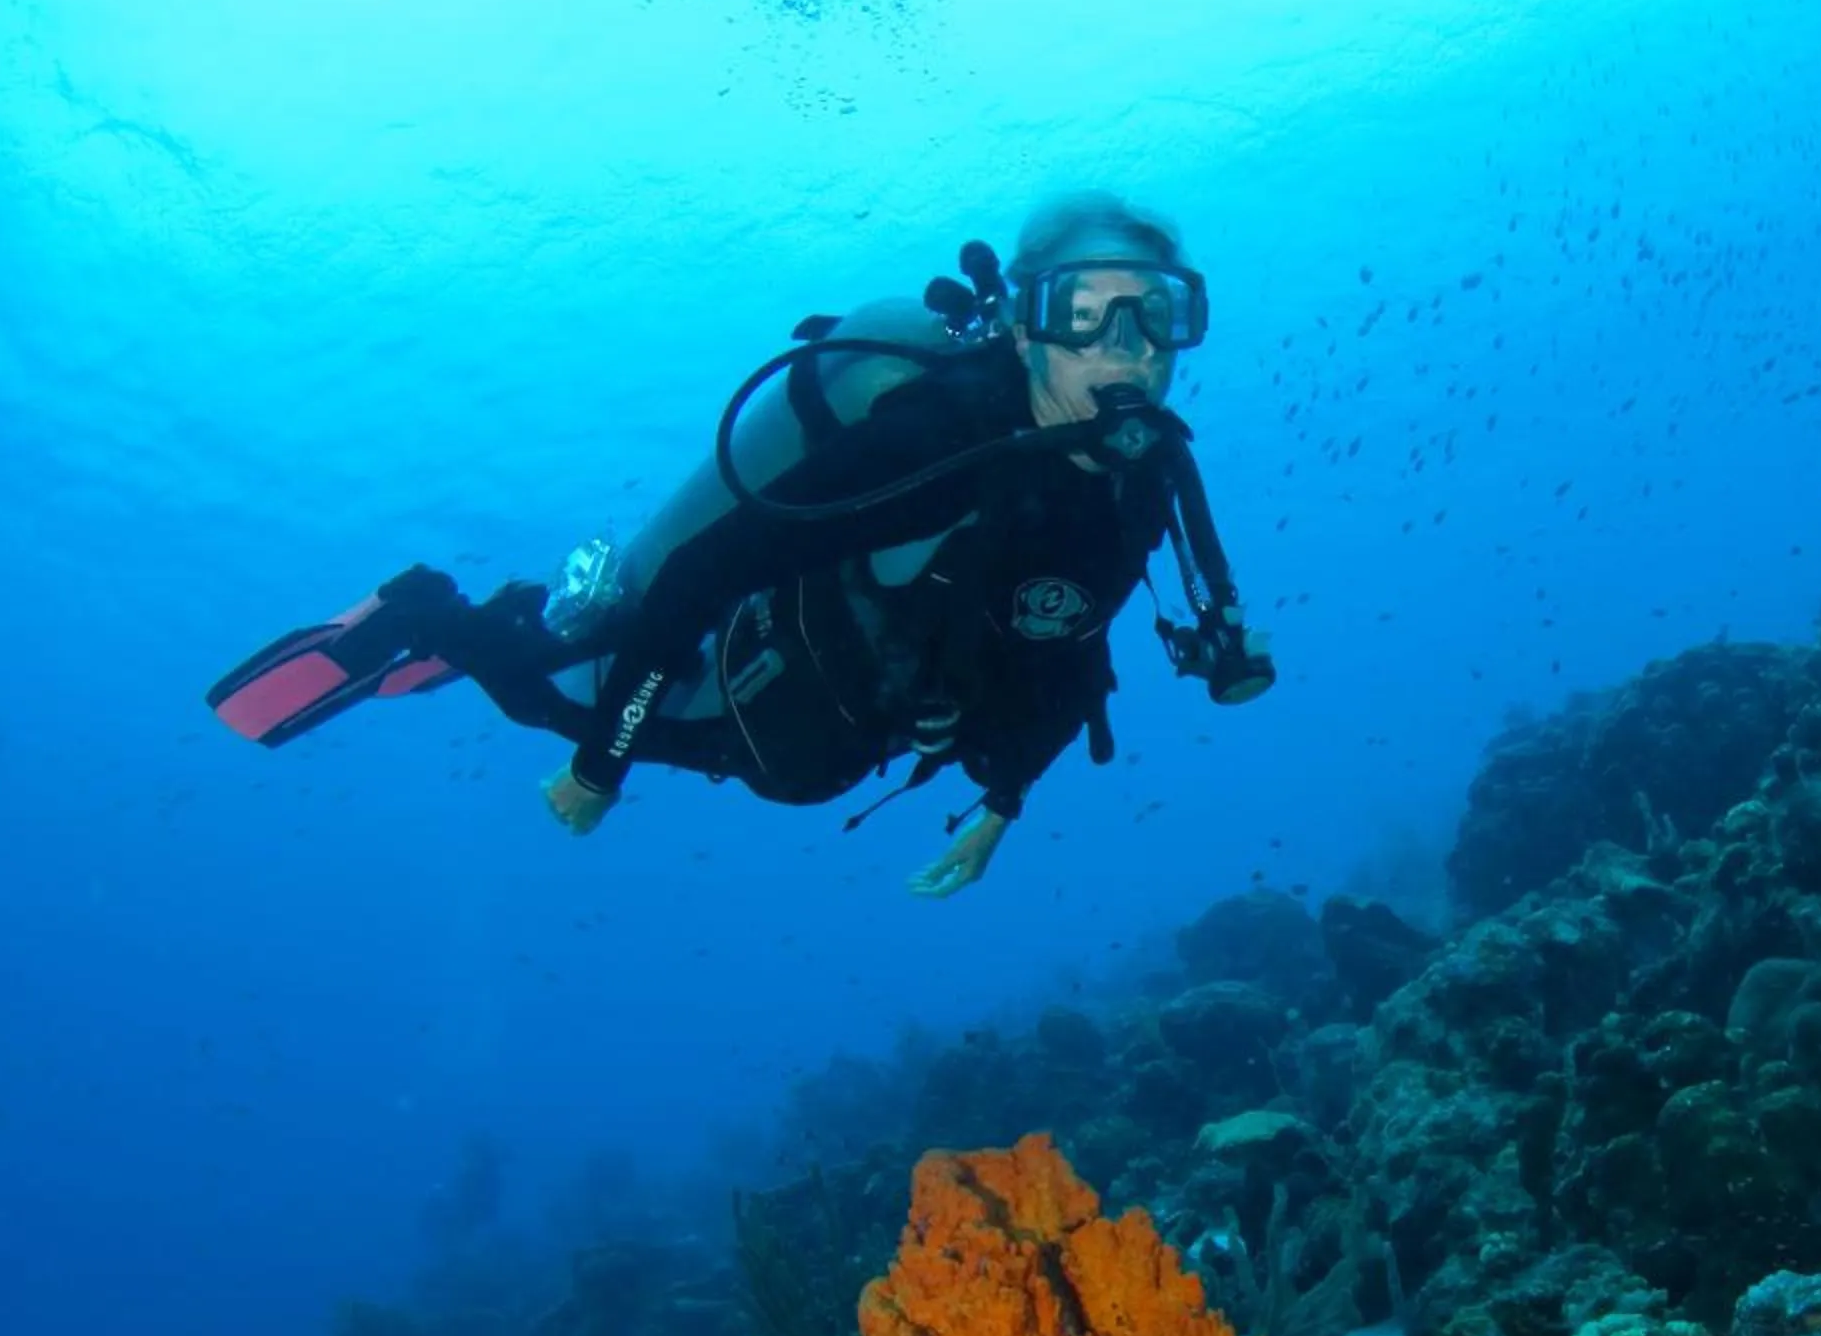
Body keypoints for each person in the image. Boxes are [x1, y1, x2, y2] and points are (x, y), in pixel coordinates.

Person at [206, 194, 1273, 898]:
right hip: (751, 674)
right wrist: (599, 768)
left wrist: (1002, 802)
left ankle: (534, 625)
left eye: (1158, 316)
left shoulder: (1145, 475)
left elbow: (1071, 639)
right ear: (1023, 325)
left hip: (863, 707)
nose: (1127, 351)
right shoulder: (932, 449)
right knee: (549, 695)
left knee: (785, 760)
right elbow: (709, 569)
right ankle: (426, 612)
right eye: (1084, 313)